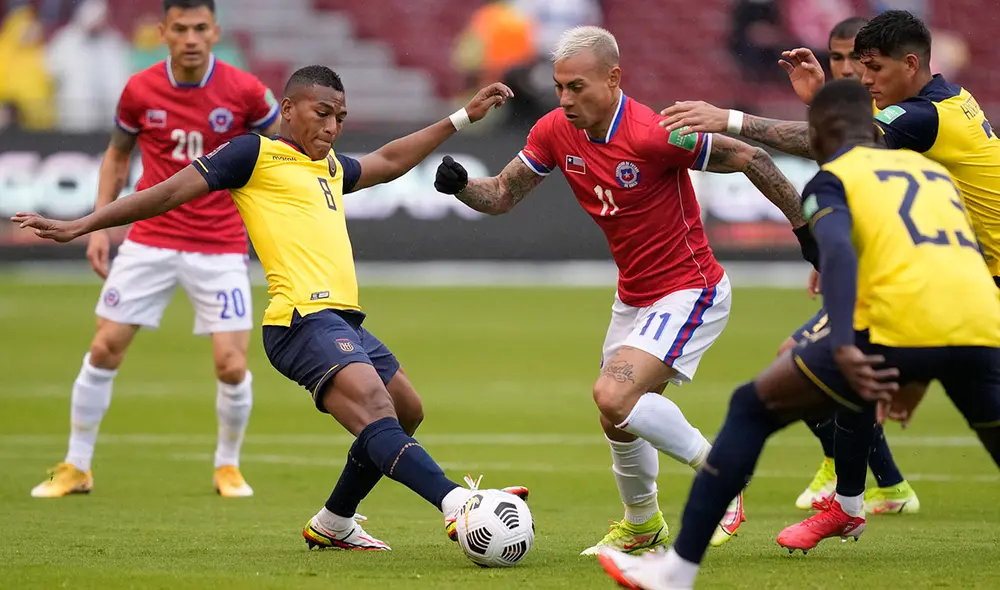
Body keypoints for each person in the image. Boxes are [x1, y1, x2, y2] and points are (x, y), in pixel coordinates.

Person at [13, 64, 527, 551]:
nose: (332, 127)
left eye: (340, 118)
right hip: (299, 319)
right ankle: (458, 503)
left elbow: (389, 161)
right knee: (375, 407)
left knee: (408, 411)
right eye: (322, 113)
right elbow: (167, 192)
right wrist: (85, 224)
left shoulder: (328, 166)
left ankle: (334, 523)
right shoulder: (253, 154)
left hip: (343, 320)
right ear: (288, 108)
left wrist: (461, 117)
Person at [597, 78, 1000, 590]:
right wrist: (921, 372)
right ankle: (855, 497)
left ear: (821, 133)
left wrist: (845, 342)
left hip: (897, 321)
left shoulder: (832, 181)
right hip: (980, 321)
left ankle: (675, 573)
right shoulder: (931, 172)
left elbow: (837, 255)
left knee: (750, 408)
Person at [433, 25, 816, 555]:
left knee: (614, 395)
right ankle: (642, 524)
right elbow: (501, 193)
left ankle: (725, 471)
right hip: (634, 295)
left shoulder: (655, 133)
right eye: (559, 87)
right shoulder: (554, 130)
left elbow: (753, 158)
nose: (565, 99)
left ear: (613, 78)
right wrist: (461, 187)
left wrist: (806, 233)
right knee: (616, 417)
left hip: (690, 288)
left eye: (577, 87)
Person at [659, 9, 1000, 521]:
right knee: (841, 367)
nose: (864, 79)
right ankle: (861, 495)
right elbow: (854, 147)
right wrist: (821, 100)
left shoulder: (923, 116)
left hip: (974, 287)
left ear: (911, 64)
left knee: (810, 368)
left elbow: (840, 144)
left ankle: (854, 497)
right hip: (961, 280)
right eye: (856, 66)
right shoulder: (946, 101)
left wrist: (730, 119)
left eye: (874, 68)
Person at [28, 0, 282, 499]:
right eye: (180, 28)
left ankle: (228, 466)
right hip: (151, 238)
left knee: (231, 365)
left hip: (220, 243)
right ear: (163, 32)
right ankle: (77, 465)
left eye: (200, 28)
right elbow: (117, 157)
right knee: (104, 348)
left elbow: (283, 153)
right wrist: (99, 228)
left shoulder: (246, 91)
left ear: (215, 32)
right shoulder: (140, 89)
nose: (191, 38)